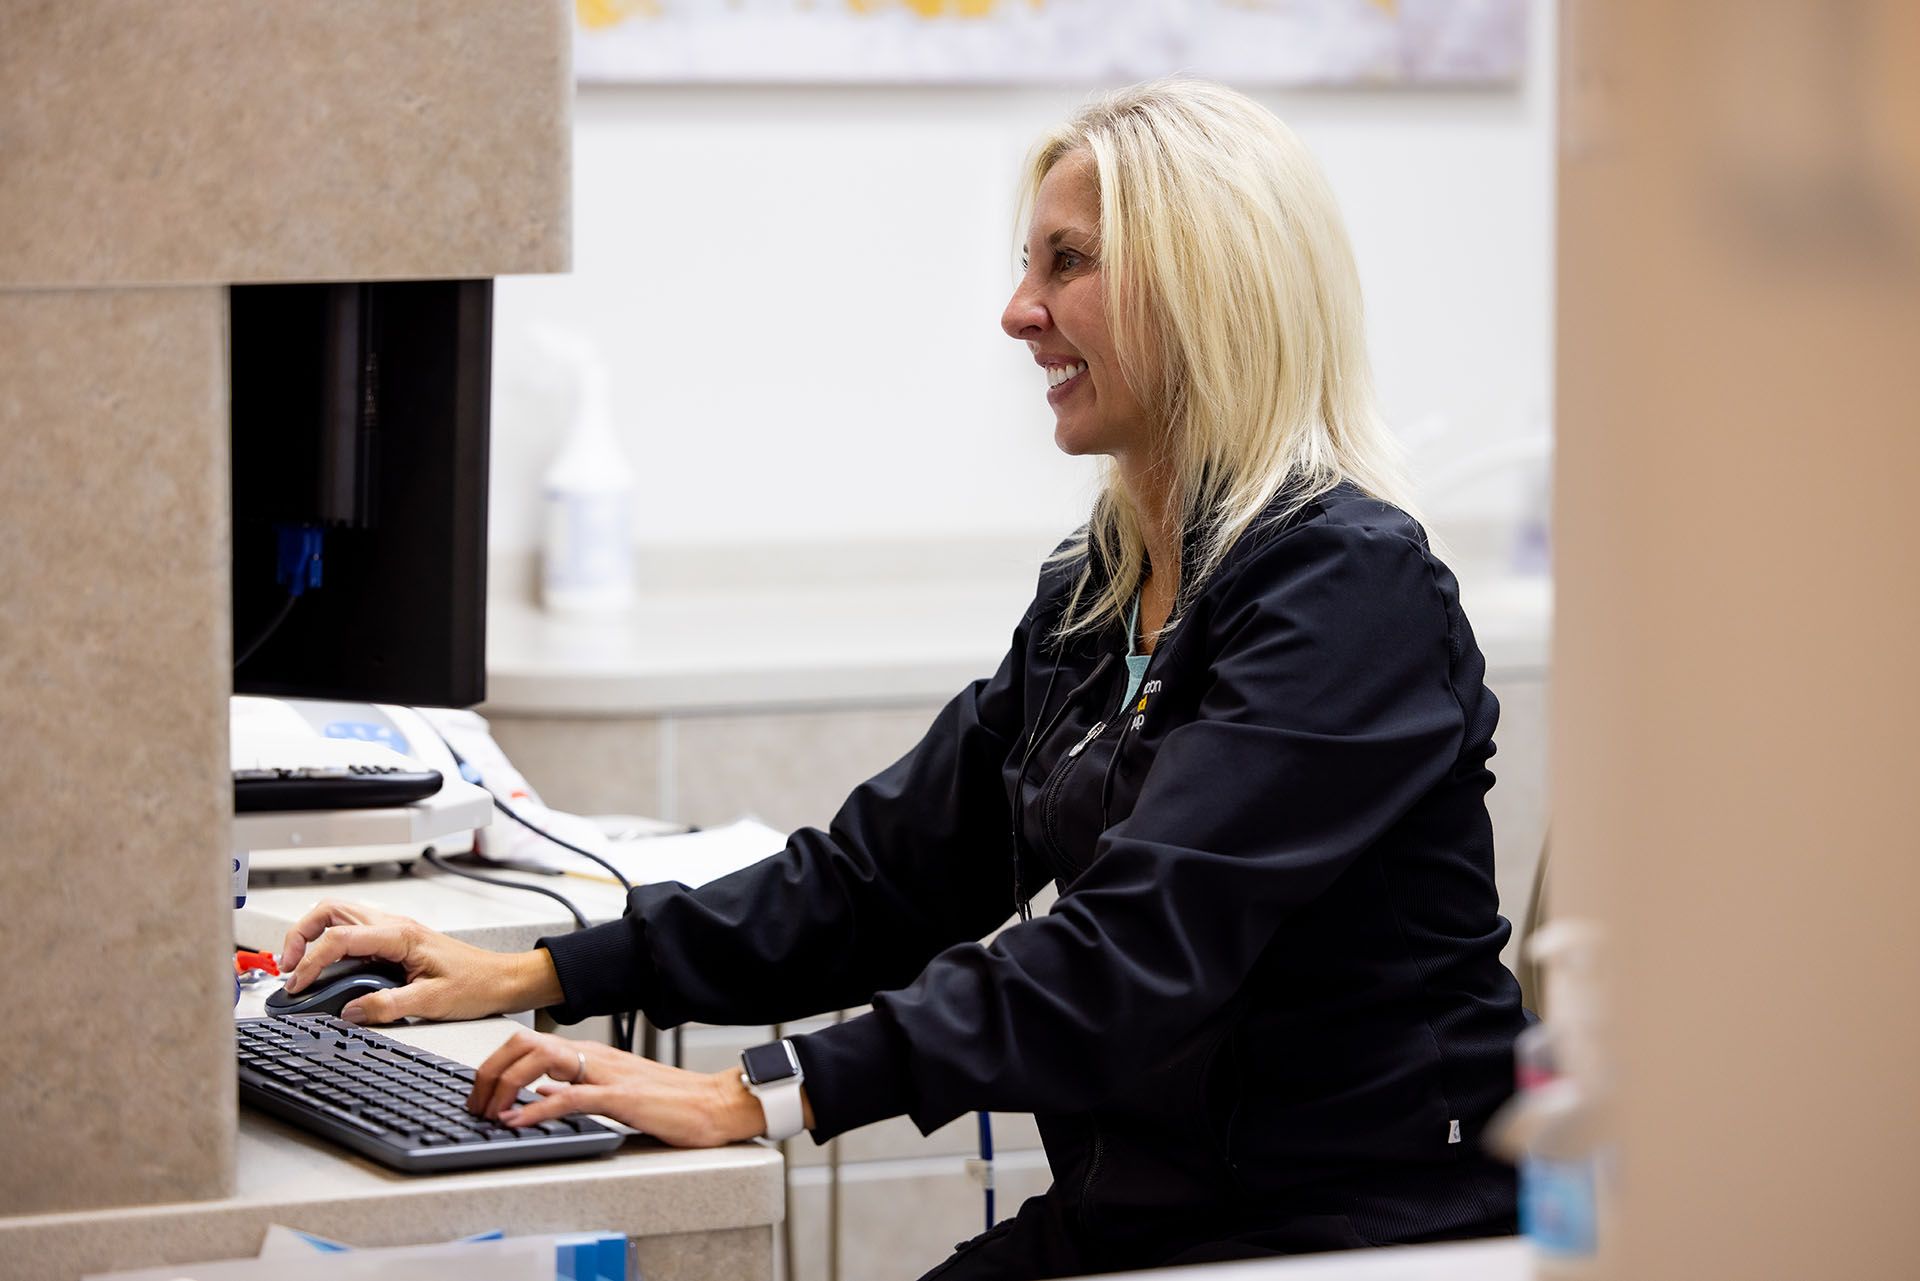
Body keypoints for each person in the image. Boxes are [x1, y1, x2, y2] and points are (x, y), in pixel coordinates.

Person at [278, 79, 1526, 1278]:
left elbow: (1133, 948)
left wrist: (760, 1092)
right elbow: (882, 880)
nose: (1018, 311)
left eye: (1067, 263)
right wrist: (547, 969)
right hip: (1148, 1212)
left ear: (1212, 294)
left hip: (1351, 1230)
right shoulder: (1103, 588)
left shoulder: (1349, 594)